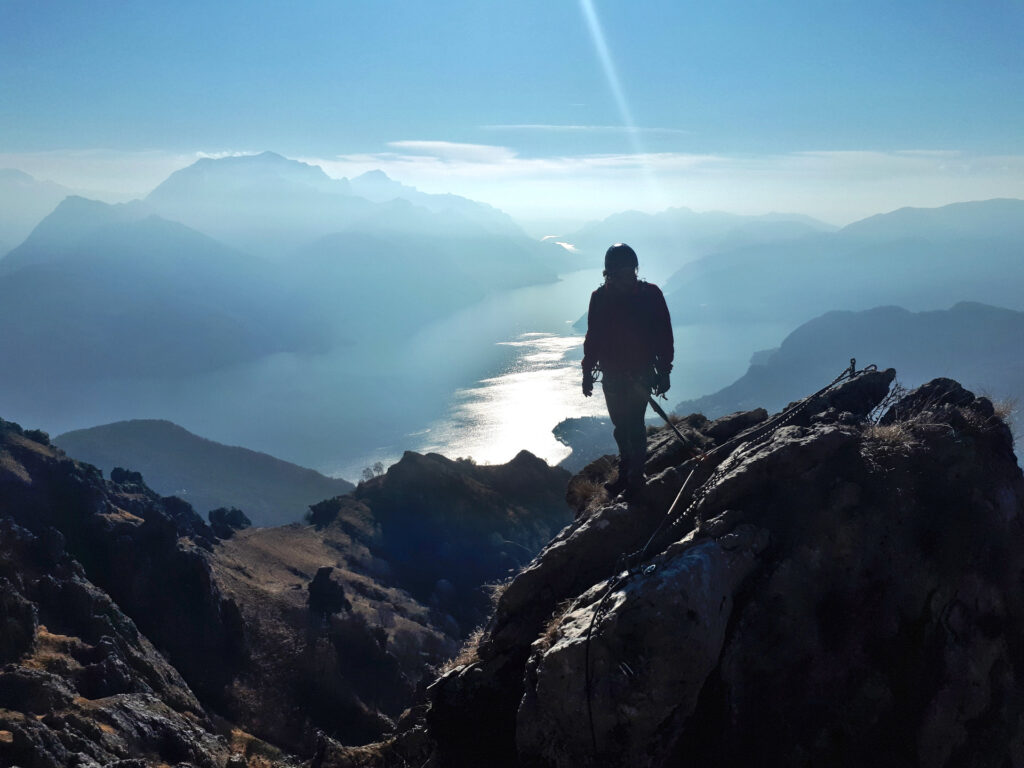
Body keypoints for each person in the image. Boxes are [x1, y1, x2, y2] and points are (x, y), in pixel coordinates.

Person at [582, 243, 674, 499]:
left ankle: (635, 476)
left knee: (633, 423)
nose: (627, 278)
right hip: (612, 375)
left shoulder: (650, 295)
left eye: (630, 272)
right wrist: (587, 372)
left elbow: (664, 334)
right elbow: (593, 337)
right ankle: (627, 471)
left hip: (640, 373)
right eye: (620, 274)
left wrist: (664, 369)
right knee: (620, 425)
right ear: (609, 274)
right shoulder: (600, 298)